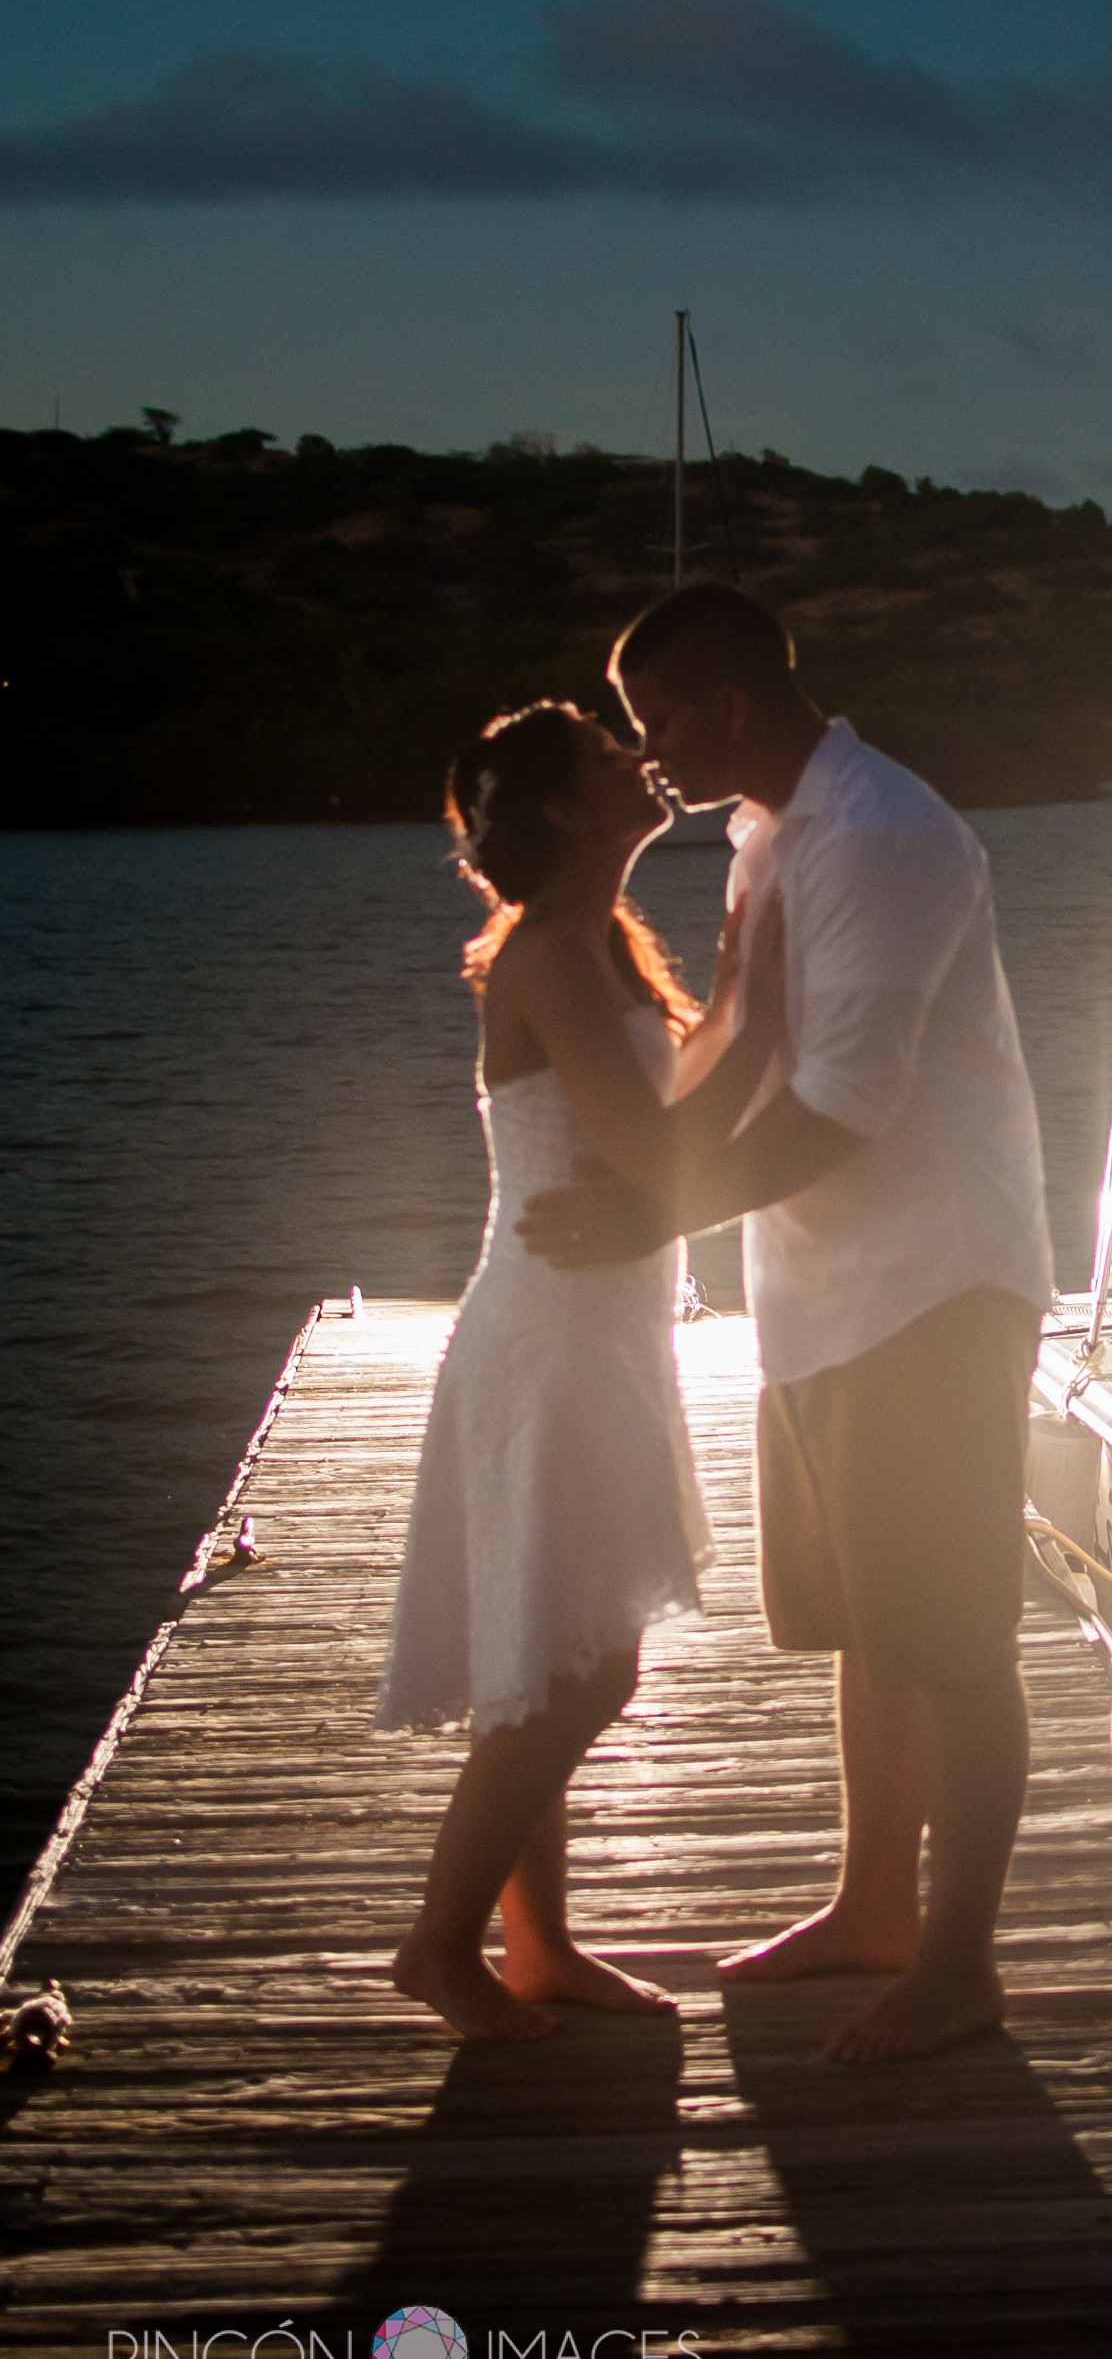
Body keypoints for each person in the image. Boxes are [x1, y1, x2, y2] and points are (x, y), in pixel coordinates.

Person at [519, 586, 1053, 2064]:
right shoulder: (774, 835)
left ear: (730, 707)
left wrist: (657, 1219)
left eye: (655, 721)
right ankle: (876, 1907)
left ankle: (961, 1966)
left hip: (930, 1288)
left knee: (953, 1638)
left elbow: (845, 1103)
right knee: (872, 1627)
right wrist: (630, 1168)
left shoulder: (883, 836)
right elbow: (750, 1052)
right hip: (823, 1292)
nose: (648, 751)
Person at [379, 700, 786, 2043]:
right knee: (582, 1675)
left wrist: (735, 986)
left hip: (601, 1331)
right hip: (550, 1340)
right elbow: (649, 1154)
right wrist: (769, 1013)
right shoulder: (550, 956)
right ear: (563, 808)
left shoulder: (598, 943)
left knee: (550, 1653)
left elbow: (669, 1100)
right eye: (611, 756)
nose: (639, 760)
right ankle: (438, 1948)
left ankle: (539, 1949)